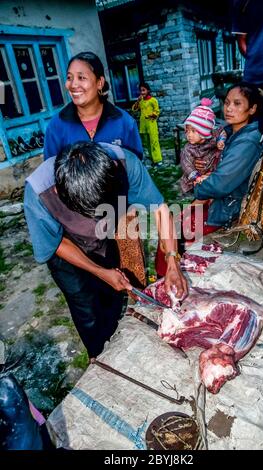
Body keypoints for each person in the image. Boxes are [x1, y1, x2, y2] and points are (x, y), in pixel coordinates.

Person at [24, 141, 188, 361]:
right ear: (58, 191)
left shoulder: (125, 163)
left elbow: (160, 209)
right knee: (85, 306)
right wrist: (99, 271)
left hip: (105, 238)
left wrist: (172, 261)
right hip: (67, 248)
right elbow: (56, 244)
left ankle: (116, 338)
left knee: (112, 294)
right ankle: (99, 358)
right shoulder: (39, 192)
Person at [155, 83, 263, 277]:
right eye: (227, 102)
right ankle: (167, 282)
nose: (229, 108)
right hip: (217, 198)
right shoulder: (231, 132)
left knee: (172, 236)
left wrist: (200, 189)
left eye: (237, 104)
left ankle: (168, 282)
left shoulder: (247, 142)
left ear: (252, 108)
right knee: (169, 229)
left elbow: (219, 185)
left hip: (228, 208)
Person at [44, 51, 143, 160]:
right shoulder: (56, 126)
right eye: (69, 78)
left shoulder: (124, 123)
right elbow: (50, 171)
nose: (73, 85)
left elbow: (135, 167)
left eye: (81, 78)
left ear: (99, 82)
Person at [180, 98, 226, 194]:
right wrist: (197, 177)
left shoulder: (213, 136)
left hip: (212, 174)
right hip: (196, 179)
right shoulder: (188, 149)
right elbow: (187, 165)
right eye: (187, 130)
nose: (189, 134)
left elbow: (221, 131)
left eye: (193, 131)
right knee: (200, 197)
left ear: (204, 132)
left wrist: (221, 140)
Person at [132, 82, 163, 166]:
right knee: (147, 142)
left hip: (151, 124)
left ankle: (158, 160)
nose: (142, 92)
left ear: (148, 90)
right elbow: (134, 109)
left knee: (154, 142)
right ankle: (152, 159)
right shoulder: (141, 101)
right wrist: (138, 101)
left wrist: (152, 115)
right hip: (143, 125)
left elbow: (157, 111)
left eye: (144, 90)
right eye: (141, 91)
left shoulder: (153, 100)